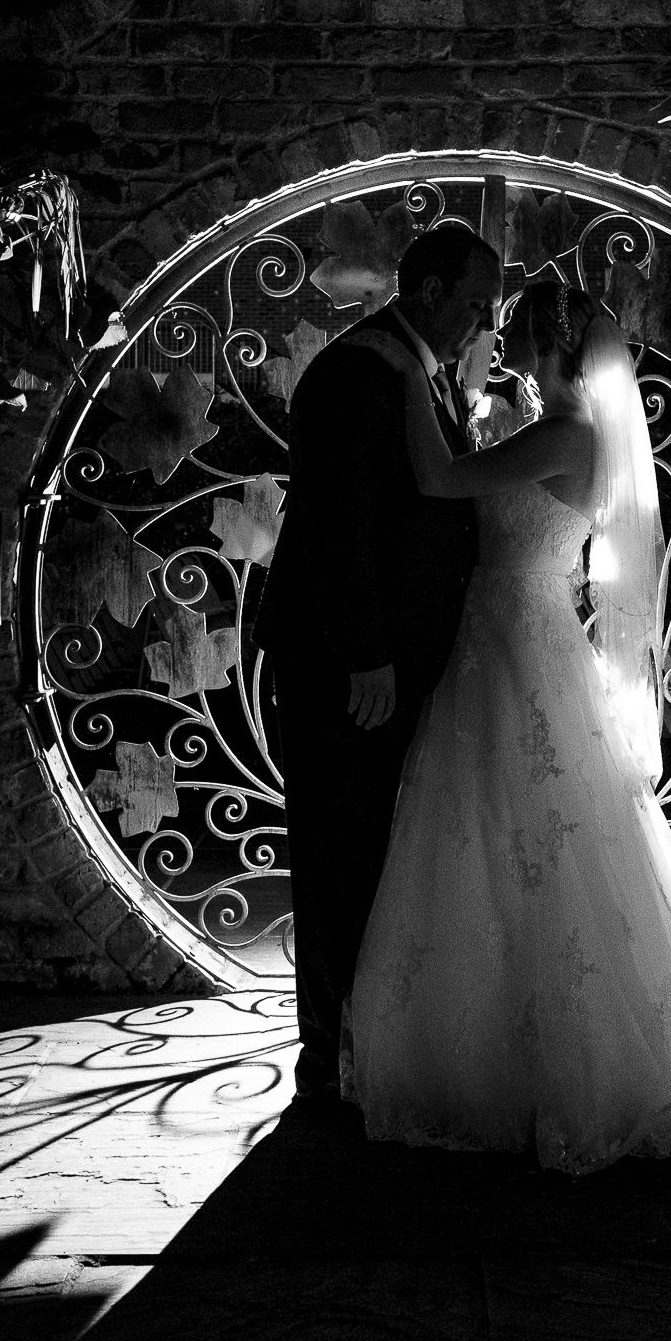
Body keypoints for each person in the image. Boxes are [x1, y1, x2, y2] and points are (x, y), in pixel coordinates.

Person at [341, 279, 671, 1174]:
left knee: (517, 830)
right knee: (502, 833)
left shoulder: (569, 431)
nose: (499, 343)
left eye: (512, 332)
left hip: (516, 637)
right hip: (512, 634)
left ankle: (539, 1062)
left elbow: (441, 478)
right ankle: (505, 1044)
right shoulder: (565, 427)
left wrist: (400, 366)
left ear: (547, 343)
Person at [252, 221, 504, 1098]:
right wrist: (365, 654)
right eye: (475, 302)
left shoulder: (411, 368)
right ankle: (327, 1053)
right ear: (429, 289)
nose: (483, 323)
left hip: (394, 655)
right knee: (338, 842)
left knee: (369, 842)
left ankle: (365, 1035)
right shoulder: (361, 369)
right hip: (347, 660)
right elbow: (337, 524)